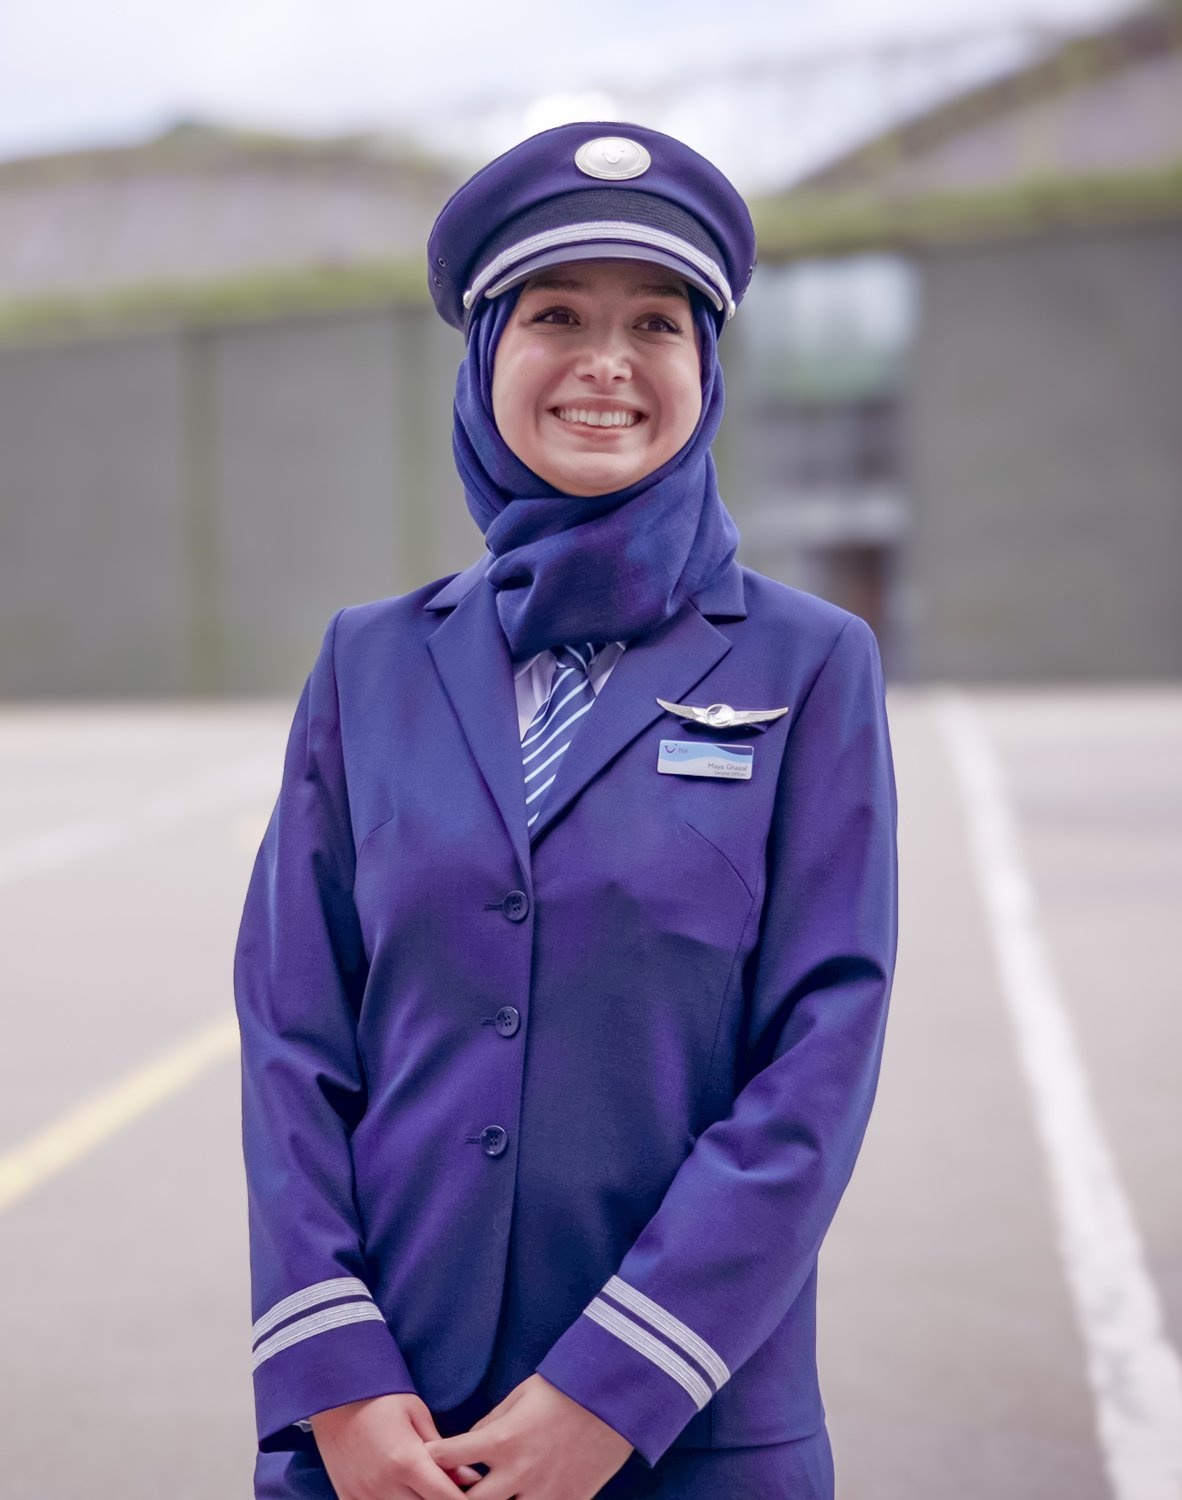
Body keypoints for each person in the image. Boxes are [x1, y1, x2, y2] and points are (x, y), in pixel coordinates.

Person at [234, 121, 898, 1500]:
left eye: (657, 322)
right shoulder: (368, 661)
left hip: (689, 1430)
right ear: (485, 360)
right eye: (556, 315)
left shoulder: (807, 664)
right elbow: (293, 1036)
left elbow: (816, 1059)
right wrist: (339, 1384)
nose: (607, 361)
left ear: (706, 372)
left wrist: (617, 1387)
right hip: (389, 1428)